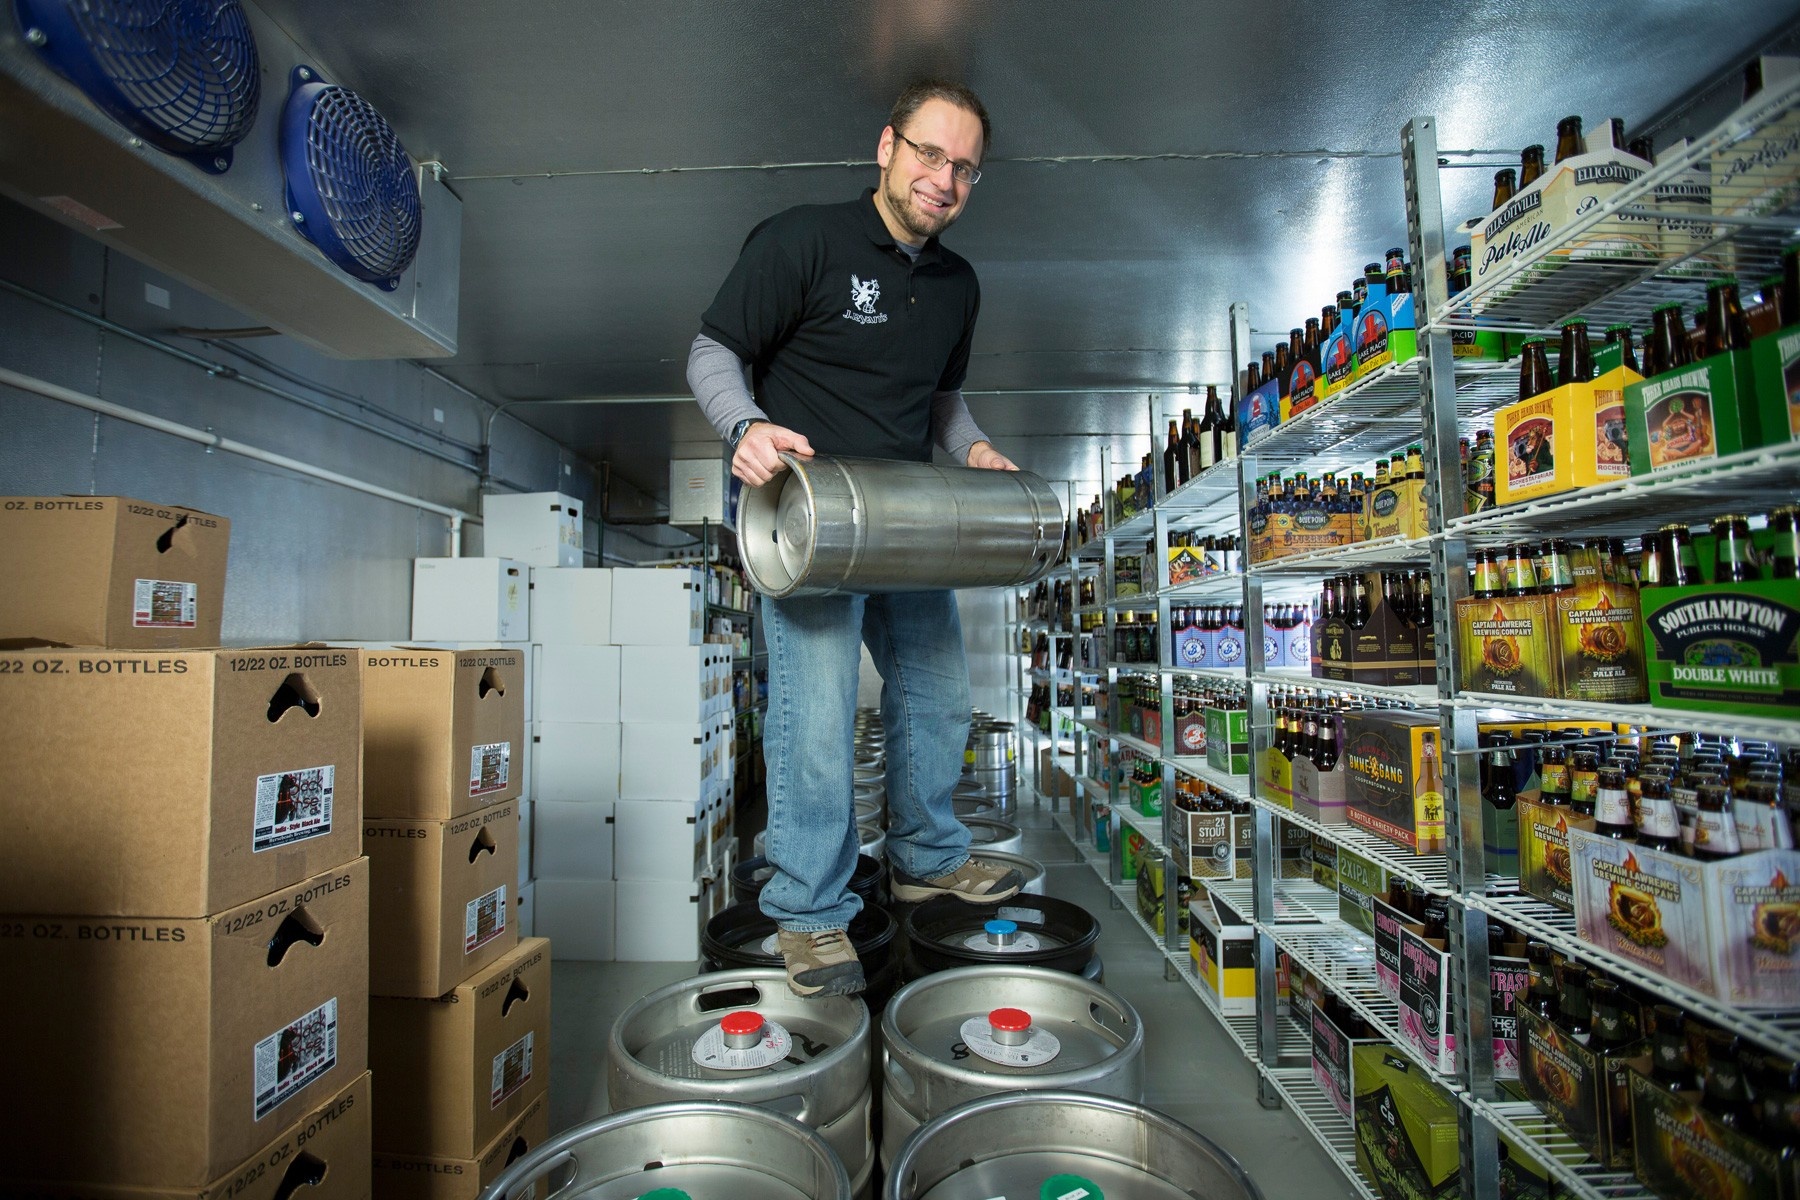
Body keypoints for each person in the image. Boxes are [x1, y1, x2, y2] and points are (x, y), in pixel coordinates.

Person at [687, 79, 1023, 998]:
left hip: (907, 518)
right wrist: (743, 427)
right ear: (887, 147)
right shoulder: (803, 240)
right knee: (819, 717)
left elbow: (942, 403)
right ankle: (808, 909)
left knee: (939, 694)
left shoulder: (957, 285)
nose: (943, 178)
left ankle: (927, 858)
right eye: (929, 154)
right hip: (807, 520)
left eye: (964, 168)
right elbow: (713, 352)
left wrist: (975, 448)